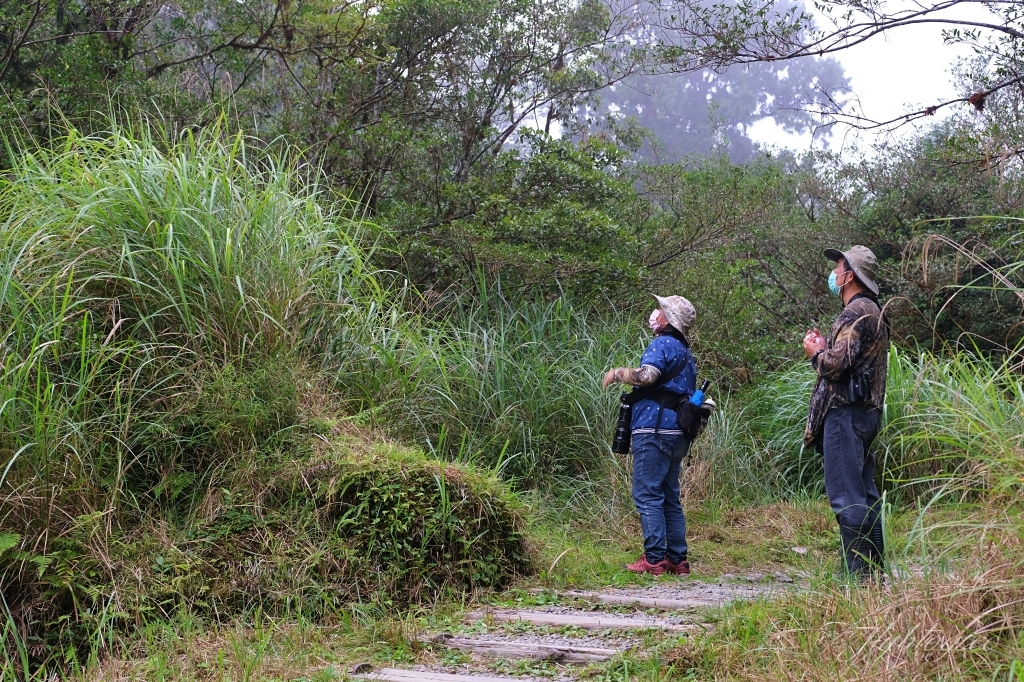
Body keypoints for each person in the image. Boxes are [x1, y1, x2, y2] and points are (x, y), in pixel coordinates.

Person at [803, 245, 890, 580]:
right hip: (866, 414)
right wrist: (827, 346)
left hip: (846, 415)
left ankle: (857, 578)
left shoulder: (855, 312)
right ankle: (874, 571)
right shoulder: (875, 310)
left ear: (849, 275)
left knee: (847, 497)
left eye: (838, 267)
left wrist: (816, 354)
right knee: (866, 495)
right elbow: (852, 359)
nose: (834, 273)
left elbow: (836, 366)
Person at [602, 295, 697, 576]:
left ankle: (654, 559)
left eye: (661, 310)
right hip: (678, 432)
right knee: (669, 496)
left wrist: (618, 373)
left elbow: (647, 377)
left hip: (654, 429)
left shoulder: (662, 344)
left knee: (647, 494)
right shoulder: (685, 352)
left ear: (668, 320)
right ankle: (677, 560)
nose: (656, 313)